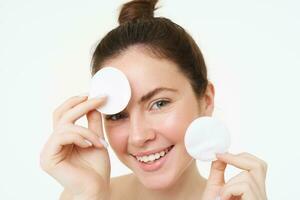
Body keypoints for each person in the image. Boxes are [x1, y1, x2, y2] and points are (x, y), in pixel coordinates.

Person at [40, 0, 268, 199]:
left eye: (160, 103)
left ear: (206, 100)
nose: (139, 136)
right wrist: (89, 196)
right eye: (117, 115)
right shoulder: (83, 196)